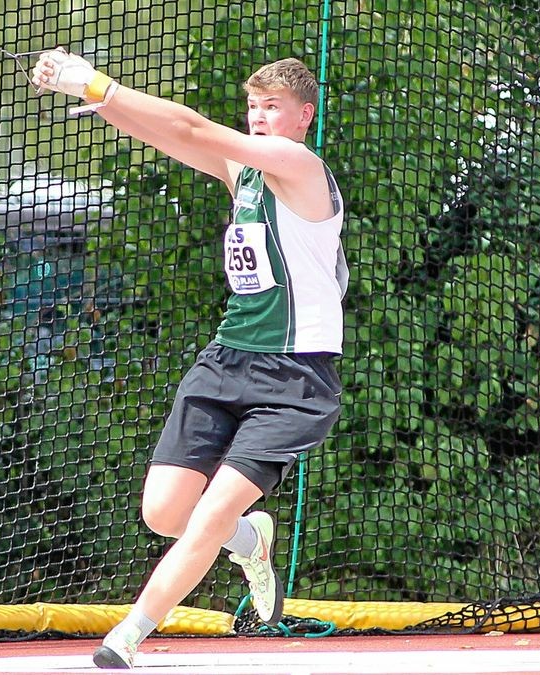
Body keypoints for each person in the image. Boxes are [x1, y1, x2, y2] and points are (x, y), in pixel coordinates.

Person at [33, 49, 347, 670]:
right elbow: (171, 136)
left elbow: (195, 127)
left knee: (207, 514)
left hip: (295, 378)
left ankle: (130, 633)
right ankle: (250, 540)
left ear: (303, 116)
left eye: (273, 108)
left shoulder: (299, 164)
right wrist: (99, 101)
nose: (259, 119)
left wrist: (97, 79)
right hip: (227, 361)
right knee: (164, 512)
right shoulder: (244, 172)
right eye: (253, 107)